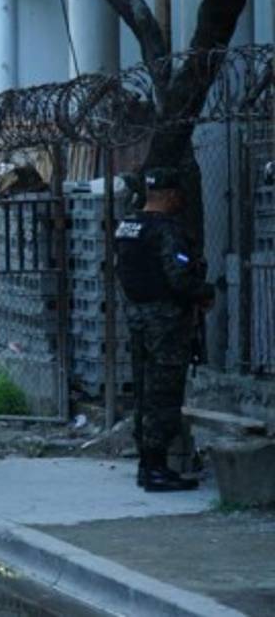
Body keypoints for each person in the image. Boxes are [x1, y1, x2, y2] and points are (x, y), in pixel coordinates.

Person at [114, 167, 215, 493]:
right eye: (179, 195)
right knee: (164, 394)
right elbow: (179, 278)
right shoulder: (166, 231)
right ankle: (156, 468)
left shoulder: (128, 226)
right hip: (166, 325)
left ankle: (147, 465)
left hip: (138, 320)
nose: (182, 201)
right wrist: (204, 292)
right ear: (170, 195)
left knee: (144, 392)